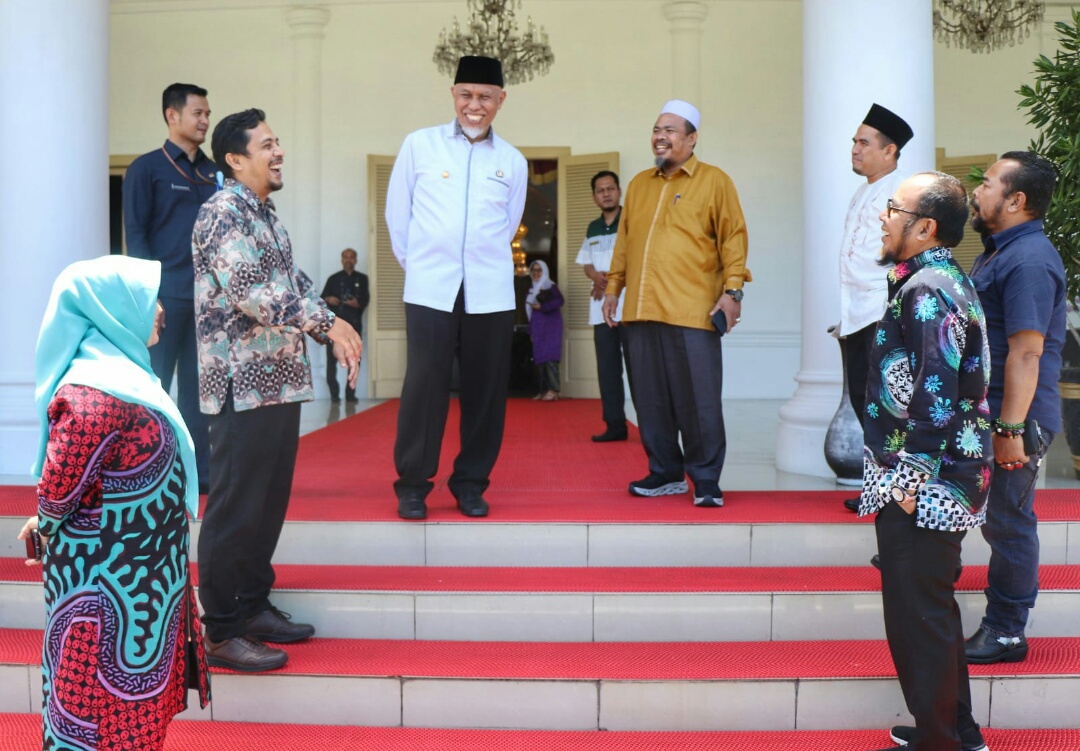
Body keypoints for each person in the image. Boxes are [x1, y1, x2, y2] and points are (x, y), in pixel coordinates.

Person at [192, 108, 363, 672]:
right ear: (235, 159)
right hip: (240, 382)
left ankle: (252, 605)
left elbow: (296, 287)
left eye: (278, 142)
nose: (278, 151)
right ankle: (221, 630)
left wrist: (332, 326)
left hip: (277, 381)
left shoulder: (264, 214)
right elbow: (250, 291)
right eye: (267, 145)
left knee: (266, 504)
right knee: (236, 505)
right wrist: (326, 324)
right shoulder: (223, 212)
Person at [19, 255, 210, 751]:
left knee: (125, 721)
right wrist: (46, 518)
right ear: (111, 308)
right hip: (108, 594)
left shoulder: (120, 377)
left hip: (134, 589)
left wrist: (45, 519)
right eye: (147, 299)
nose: (162, 310)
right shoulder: (93, 394)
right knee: (100, 720)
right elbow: (59, 488)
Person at [857, 172, 991, 751]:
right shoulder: (938, 280)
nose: (883, 216)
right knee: (930, 611)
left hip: (925, 483)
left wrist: (908, 483)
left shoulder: (928, 288)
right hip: (938, 477)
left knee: (918, 619)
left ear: (925, 227)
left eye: (893, 208)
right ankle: (956, 731)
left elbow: (936, 391)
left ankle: (942, 740)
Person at [386, 55, 527, 521]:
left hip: (490, 292)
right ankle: (413, 485)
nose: (474, 104)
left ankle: (470, 483)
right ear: (453, 94)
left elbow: (508, 226)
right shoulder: (419, 145)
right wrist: (422, 268)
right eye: (466, 94)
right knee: (424, 386)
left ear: (501, 100)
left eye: (485, 96)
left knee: (486, 391)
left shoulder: (512, 160)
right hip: (431, 289)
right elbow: (398, 216)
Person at [603, 99, 749, 508]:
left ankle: (705, 479)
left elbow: (733, 238)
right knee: (649, 399)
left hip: (692, 310)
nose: (660, 137)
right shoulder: (639, 184)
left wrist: (733, 291)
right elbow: (624, 243)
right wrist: (614, 288)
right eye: (656, 129)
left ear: (691, 138)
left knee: (699, 400)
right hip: (641, 310)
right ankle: (665, 472)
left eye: (669, 130)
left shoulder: (714, 181)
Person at [964, 151, 1066, 666]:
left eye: (987, 183)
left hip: (1014, 417)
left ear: (1015, 199)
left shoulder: (1028, 260)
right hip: (990, 411)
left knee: (1008, 522)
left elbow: (1027, 353)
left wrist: (1009, 430)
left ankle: (1006, 631)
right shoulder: (999, 251)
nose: (977, 190)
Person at [122, 83, 216, 493]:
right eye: (198, 113)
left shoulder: (215, 173)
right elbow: (136, 235)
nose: (205, 120)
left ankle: (199, 476)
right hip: (163, 299)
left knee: (200, 394)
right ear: (172, 116)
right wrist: (149, 296)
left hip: (208, 302)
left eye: (207, 113)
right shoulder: (146, 169)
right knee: (153, 386)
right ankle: (148, 473)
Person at [838, 104, 914, 513]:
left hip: (881, 313)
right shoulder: (864, 189)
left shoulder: (902, 192)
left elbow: (904, 257)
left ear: (889, 150)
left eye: (864, 142)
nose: (855, 149)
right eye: (855, 141)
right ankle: (879, 488)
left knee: (886, 406)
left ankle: (895, 493)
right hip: (856, 313)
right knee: (863, 401)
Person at [575, 170, 630, 441]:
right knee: (607, 370)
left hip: (630, 306)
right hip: (600, 309)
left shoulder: (632, 220)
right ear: (594, 196)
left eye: (610, 188)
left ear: (619, 191)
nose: (606, 193)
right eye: (600, 190)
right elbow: (586, 262)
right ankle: (615, 425)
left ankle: (652, 429)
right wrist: (595, 276)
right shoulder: (592, 228)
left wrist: (611, 280)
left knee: (639, 370)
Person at [321, 247, 370, 402]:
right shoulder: (333, 279)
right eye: (346, 257)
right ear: (342, 260)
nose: (349, 260)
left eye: (352, 257)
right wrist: (329, 299)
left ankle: (350, 394)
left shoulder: (362, 279)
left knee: (354, 359)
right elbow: (321, 299)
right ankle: (334, 395)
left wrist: (357, 304)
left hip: (354, 326)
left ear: (356, 260)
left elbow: (365, 299)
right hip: (334, 327)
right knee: (331, 363)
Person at [525, 260, 564, 401]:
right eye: (533, 270)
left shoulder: (550, 286)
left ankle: (553, 390)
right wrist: (531, 331)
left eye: (539, 270)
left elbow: (560, 301)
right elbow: (530, 312)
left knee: (550, 358)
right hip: (538, 328)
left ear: (544, 271)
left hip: (551, 327)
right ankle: (542, 391)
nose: (536, 273)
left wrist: (542, 307)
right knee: (539, 359)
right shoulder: (532, 289)